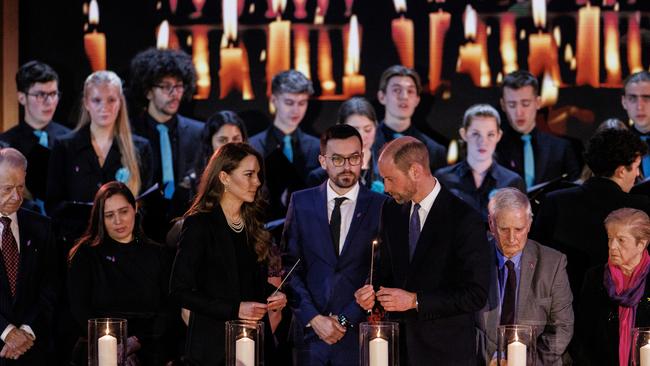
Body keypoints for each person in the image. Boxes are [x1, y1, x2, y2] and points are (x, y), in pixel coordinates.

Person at [354, 137, 490, 365]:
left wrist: (416, 301)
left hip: (445, 353)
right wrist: (371, 293)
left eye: (390, 179)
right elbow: (383, 270)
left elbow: (475, 294)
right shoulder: (391, 210)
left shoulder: (464, 219)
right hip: (398, 350)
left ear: (415, 171)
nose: (385, 188)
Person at [170, 143, 287, 365]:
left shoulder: (252, 223)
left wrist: (274, 295)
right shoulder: (199, 223)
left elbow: (248, 283)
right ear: (224, 177)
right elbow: (179, 291)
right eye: (249, 175)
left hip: (253, 343)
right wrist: (235, 309)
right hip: (213, 349)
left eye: (258, 175)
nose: (258, 182)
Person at [283, 125, 386, 365]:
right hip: (309, 335)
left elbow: (380, 271)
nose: (347, 166)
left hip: (358, 335)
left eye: (353, 157)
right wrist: (314, 318)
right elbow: (289, 269)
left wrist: (342, 320)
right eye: (337, 159)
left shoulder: (381, 206)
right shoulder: (301, 202)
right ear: (323, 161)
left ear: (363, 158)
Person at [531, 128, 650, 296]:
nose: (638, 174)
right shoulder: (641, 208)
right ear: (622, 171)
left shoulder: (554, 202)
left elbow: (535, 261)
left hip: (562, 308)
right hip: (623, 310)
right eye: (636, 167)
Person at [67, 181, 172, 365]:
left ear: (135, 208)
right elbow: (79, 309)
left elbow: (167, 309)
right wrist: (114, 346)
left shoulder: (159, 255)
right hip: (97, 347)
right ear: (101, 218)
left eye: (123, 211)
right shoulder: (85, 254)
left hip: (150, 348)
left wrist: (135, 342)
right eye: (109, 215)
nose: (118, 221)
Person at [46, 70, 153, 250]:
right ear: (86, 103)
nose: (105, 107)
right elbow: (54, 205)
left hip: (124, 250)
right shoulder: (65, 147)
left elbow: (146, 206)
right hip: (77, 249)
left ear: (120, 102)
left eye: (111, 99)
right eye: (97, 100)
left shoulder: (140, 149)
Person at [477, 188, 573, 365]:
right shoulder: (473, 260)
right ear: (491, 224)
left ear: (529, 224)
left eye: (519, 229)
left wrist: (521, 362)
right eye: (504, 229)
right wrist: (491, 358)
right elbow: (461, 325)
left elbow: (562, 329)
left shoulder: (553, 263)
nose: (512, 238)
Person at [127, 48, 203, 241]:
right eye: (166, 87)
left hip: (185, 230)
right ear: (148, 91)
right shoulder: (130, 133)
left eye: (179, 86)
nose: (174, 94)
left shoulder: (197, 132)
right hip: (139, 229)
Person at [0, 148, 56, 365]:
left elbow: (51, 286)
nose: (16, 197)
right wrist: (6, 332)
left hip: (33, 348)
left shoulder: (42, 227)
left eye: (21, 187)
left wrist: (26, 331)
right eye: (7, 189)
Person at [575, 208, 650, 366]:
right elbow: (582, 334)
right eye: (610, 239)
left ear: (641, 244)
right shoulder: (594, 278)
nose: (612, 246)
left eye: (621, 240)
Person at [249, 69, 320, 220]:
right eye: (289, 103)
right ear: (274, 100)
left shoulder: (317, 147)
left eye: (302, 103)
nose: (296, 110)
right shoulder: (252, 146)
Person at [0, 61, 70, 213]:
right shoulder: (5, 144)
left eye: (53, 94)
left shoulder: (69, 140)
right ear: (21, 98)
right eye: (40, 95)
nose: (49, 102)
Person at [435, 104, 525, 222]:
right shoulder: (443, 179)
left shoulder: (513, 182)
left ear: (499, 135)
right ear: (464, 134)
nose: (483, 142)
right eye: (476, 134)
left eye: (490, 134)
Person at [496, 70, 580, 188]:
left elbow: (575, 193)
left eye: (525, 104)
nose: (519, 112)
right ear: (503, 105)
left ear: (538, 102)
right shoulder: (494, 149)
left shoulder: (561, 148)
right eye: (512, 105)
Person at [372, 65, 447, 173]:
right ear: (382, 97)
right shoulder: (364, 144)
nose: (404, 96)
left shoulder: (434, 151)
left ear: (417, 100)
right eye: (396, 90)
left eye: (410, 91)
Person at [307, 97, 384, 192]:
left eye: (367, 130)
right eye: (354, 130)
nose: (362, 136)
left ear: (376, 127)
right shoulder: (320, 177)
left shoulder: (386, 171)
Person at [621, 71, 650, 177]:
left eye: (647, 98)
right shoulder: (616, 145)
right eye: (632, 98)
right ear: (624, 102)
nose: (639, 107)